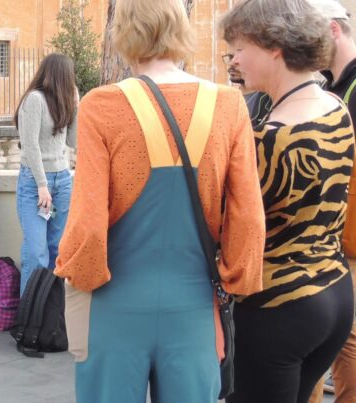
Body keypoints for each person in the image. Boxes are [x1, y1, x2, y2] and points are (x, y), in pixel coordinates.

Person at [53, 0, 267, 401]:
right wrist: (236, 276)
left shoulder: (102, 104)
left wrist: (80, 275)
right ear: (181, 30)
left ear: (124, 34)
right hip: (193, 307)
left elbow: (86, 221)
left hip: (113, 303)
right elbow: (248, 215)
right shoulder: (228, 104)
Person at [221, 0, 355, 401]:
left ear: (274, 46)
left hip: (280, 304)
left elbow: (232, 227)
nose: (235, 62)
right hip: (334, 291)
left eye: (240, 49)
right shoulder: (335, 107)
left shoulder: (273, 136)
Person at [306, 0, 356, 401]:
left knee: (348, 340)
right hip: (332, 234)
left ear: (334, 31)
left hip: (348, 237)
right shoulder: (331, 87)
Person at [14, 53, 77, 294]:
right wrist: (42, 184)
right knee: (36, 251)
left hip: (62, 179)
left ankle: (49, 314)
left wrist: (76, 107)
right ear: (59, 76)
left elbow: (72, 141)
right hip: (35, 182)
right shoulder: (35, 100)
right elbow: (30, 145)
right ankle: (29, 319)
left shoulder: (64, 103)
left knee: (57, 250)